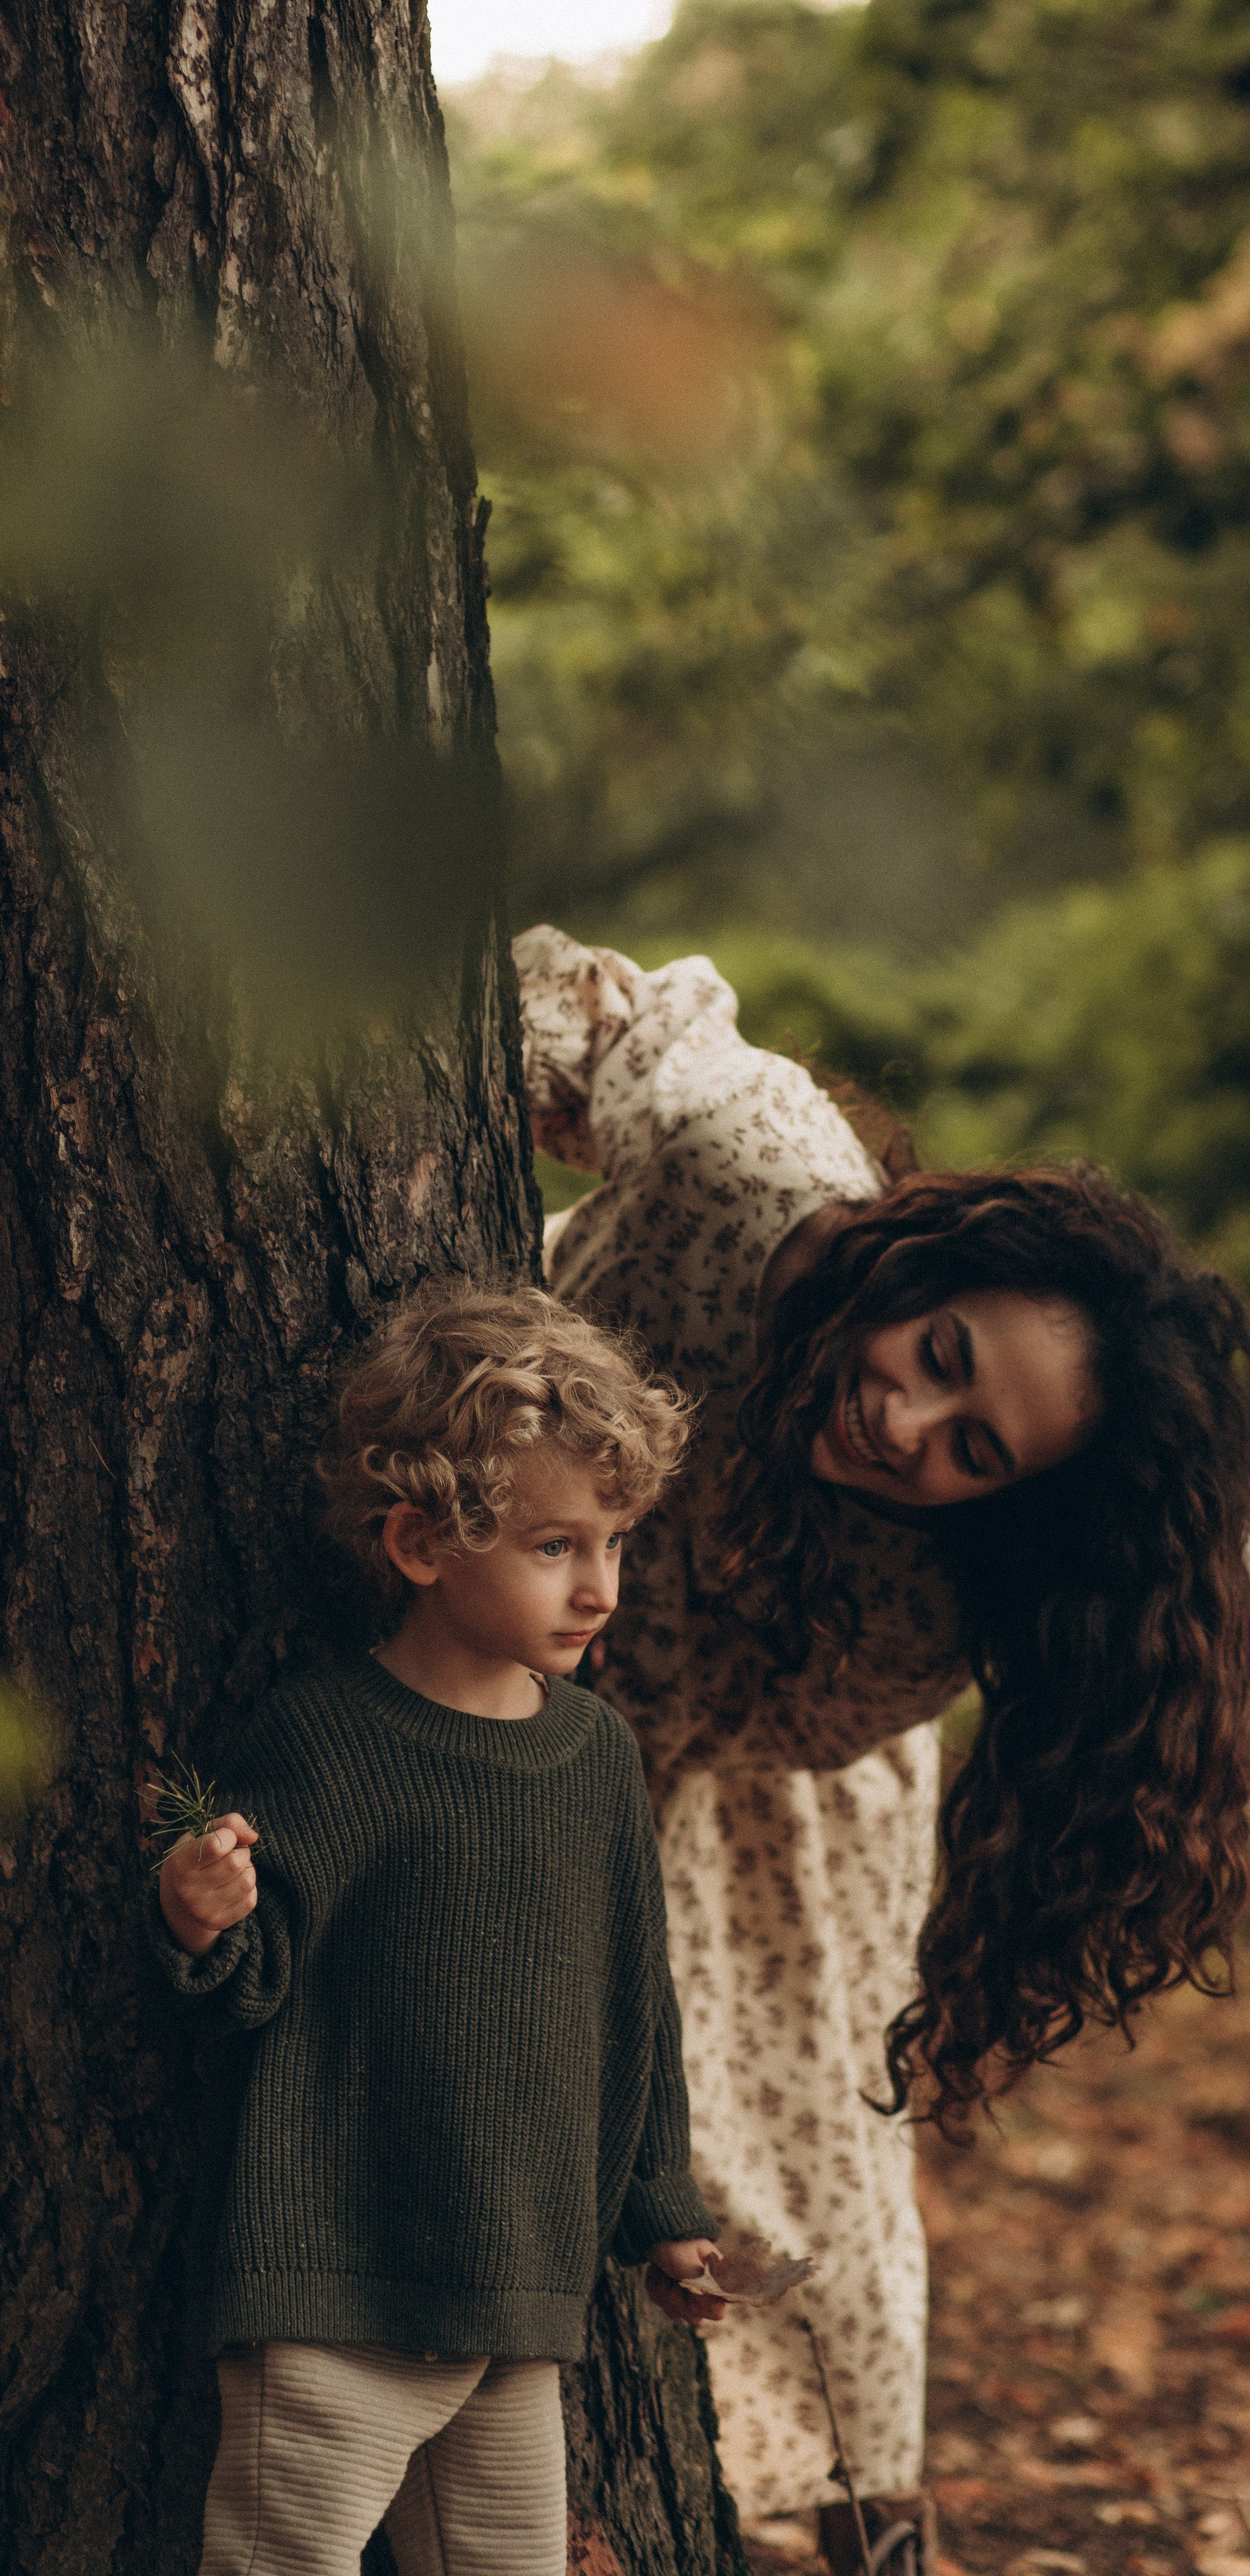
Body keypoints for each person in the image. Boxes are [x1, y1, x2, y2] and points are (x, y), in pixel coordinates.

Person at [513, 928, 1250, 2573]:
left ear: (1005, 1500)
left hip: (742, 1758)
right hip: (550, 1615)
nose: (902, 1425)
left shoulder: (914, 1607)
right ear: (920, 1268)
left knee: (792, 2163)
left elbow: (671, 1732)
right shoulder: (749, 1166)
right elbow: (562, 1013)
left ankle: (865, 2522)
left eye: (969, 1447)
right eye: (934, 1357)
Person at [149, 1281, 726, 2576]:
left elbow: (637, 1999)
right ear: (421, 1545)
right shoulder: (325, 1738)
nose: (603, 1591)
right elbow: (255, 1973)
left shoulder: (594, 1759)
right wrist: (201, 1919)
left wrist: (660, 2206)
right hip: (336, 2279)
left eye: (617, 1544)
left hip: (517, 2296)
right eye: (555, 1548)